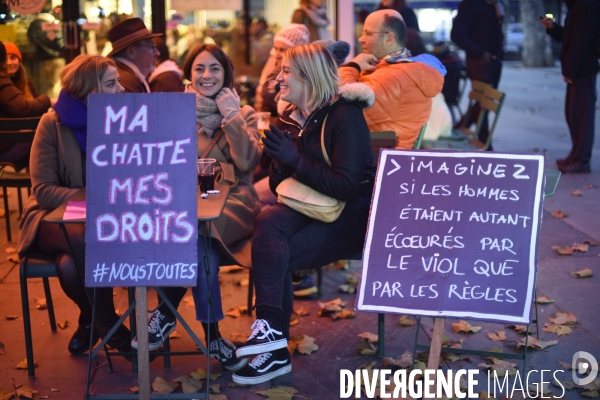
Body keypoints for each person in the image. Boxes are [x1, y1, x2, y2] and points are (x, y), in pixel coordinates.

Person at [232, 43, 376, 385]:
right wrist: (280, 161)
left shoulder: (345, 115)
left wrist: (294, 158)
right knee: (267, 221)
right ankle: (272, 336)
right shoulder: (291, 117)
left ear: (308, 77)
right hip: (309, 205)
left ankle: (274, 350)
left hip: (349, 216)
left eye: (286, 71)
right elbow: (288, 183)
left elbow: (345, 186)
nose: (278, 77)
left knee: (273, 254)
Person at [132, 44, 262, 373]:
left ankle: (164, 311)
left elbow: (248, 161)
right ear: (188, 74)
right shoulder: (174, 111)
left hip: (231, 203)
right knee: (199, 246)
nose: (207, 76)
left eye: (214, 68)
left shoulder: (242, 112)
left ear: (225, 73)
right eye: (199, 69)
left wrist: (231, 115)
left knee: (197, 235)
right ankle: (214, 337)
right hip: (185, 202)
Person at [16, 55, 132, 358]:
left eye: (118, 80)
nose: (121, 89)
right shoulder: (51, 123)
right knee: (81, 235)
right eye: (111, 83)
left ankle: (88, 319)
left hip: (105, 218)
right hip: (50, 218)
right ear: (88, 90)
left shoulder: (122, 120)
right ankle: (110, 324)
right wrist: (93, 197)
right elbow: (42, 190)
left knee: (69, 265)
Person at [339, 9, 443, 149]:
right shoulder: (396, 70)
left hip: (373, 160)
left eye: (368, 34)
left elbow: (341, 108)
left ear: (389, 39)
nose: (361, 39)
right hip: (375, 153)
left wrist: (353, 66)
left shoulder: (393, 77)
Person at [540, 1, 599, 173]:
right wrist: (552, 27)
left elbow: (581, 40)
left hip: (583, 69)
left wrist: (570, 70)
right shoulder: (578, 6)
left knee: (582, 116)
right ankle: (576, 154)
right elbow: (571, 36)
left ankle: (582, 158)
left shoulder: (586, 6)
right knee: (574, 115)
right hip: (578, 69)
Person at [451, 0, 504, 151]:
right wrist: (479, 53)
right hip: (479, 62)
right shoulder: (471, 4)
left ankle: (461, 128)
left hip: (495, 60)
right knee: (483, 103)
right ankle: (484, 144)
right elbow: (457, 34)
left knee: (485, 103)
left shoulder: (497, 5)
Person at [0, 41, 51, 168]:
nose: (9, 63)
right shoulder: (3, 82)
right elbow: (24, 108)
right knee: (46, 132)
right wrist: (47, 99)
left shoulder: (26, 81)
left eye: (13, 57)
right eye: (5, 58)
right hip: (6, 145)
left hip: (10, 141)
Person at [254, 24, 310, 113]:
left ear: (296, 52)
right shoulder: (274, 61)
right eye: (275, 48)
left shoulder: (306, 74)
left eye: (282, 50)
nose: (276, 54)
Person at [108, 17, 161, 93]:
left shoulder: (127, 78)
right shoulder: (125, 82)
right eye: (151, 47)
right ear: (131, 52)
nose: (157, 53)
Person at [432, 40, 464, 124]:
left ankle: (449, 124)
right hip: (453, 94)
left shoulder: (443, 64)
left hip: (444, 95)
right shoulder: (455, 60)